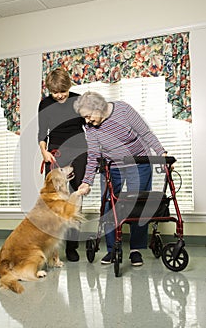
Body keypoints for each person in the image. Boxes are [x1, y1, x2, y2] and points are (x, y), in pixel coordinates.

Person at [73, 91, 167, 266]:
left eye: (88, 116)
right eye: (84, 118)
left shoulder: (123, 110)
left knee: (138, 204)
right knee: (109, 205)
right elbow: (93, 155)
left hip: (139, 162)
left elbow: (146, 134)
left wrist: (162, 153)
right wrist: (86, 182)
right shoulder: (91, 127)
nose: (86, 121)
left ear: (98, 108)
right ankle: (112, 249)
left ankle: (135, 250)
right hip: (113, 166)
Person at [38, 68, 87, 262]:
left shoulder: (78, 100)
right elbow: (42, 131)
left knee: (76, 196)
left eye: (63, 91)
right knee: (52, 199)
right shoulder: (45, 104)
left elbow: (90, 125)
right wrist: (44, 151)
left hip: (79, 148)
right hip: (56, 149)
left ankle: (72, 247)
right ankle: (51, 248)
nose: (59, 96)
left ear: (69, 86)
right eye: (55, 92)